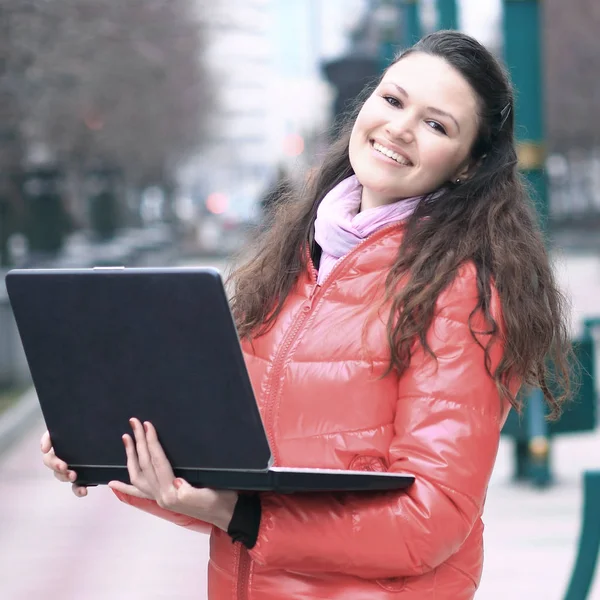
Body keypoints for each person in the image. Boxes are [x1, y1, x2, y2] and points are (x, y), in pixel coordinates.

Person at [41, 31, 572, 599]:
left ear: (468, 166)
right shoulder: (294, 265)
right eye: (393, 100)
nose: (399, 127)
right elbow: (230, 484)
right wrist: (112, 450)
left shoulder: (460, 290)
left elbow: (432, 519)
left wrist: (243, 517)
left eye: (437, 125)